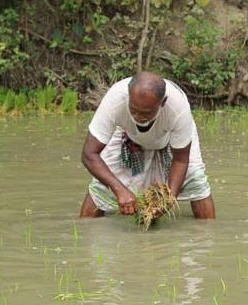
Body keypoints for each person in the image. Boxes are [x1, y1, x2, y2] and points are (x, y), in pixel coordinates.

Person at [79, 72, 215, 219]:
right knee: (101, 188)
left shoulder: (178, 107)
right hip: (127, 133)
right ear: (128, 97)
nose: (138, 117)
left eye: (146, 112)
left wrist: (168, 198)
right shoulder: (115, 100)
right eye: (133, 110)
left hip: (170, 137)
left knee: (196, 180)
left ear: (162, 103)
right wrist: (119, 189)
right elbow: (89, 154)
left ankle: (208, 236)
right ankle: (85, 232)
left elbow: (181, 159)